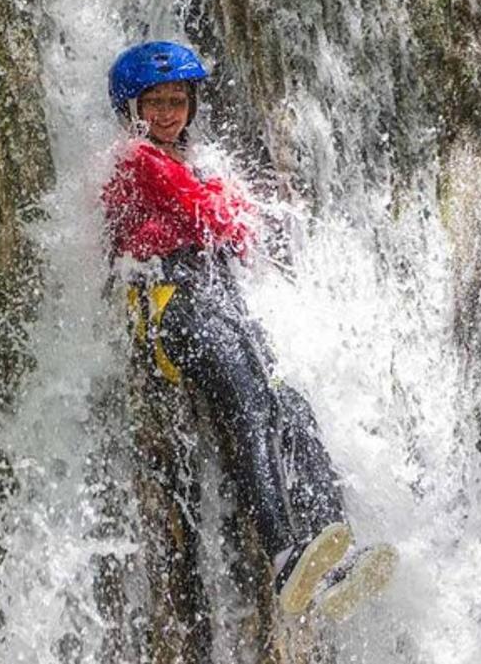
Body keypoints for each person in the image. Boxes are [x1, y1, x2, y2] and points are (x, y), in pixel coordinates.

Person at [101, 41, 395, 623]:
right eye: (154, 101)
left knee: (292, 407)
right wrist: (219, 205)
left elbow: (239, 232)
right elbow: (218, 217)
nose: (166, 112)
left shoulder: (196, 162)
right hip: (168, 307)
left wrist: (220, 207)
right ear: (131, 107)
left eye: (177, 100)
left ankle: (332, 552)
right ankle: (286, 554)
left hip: (216, 301)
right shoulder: (135, 160)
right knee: (252, 408)